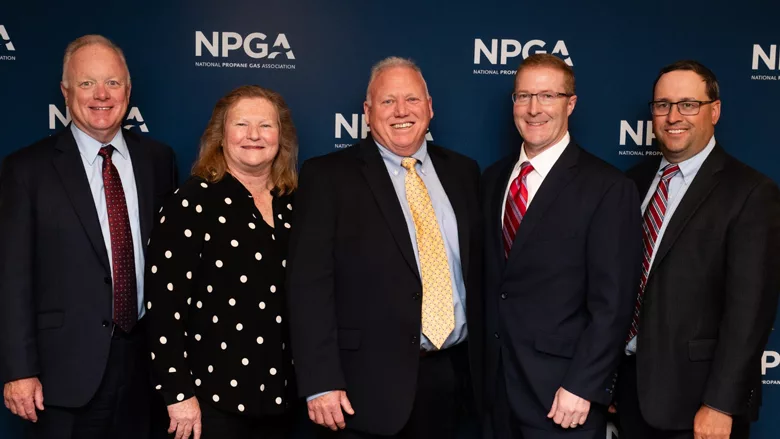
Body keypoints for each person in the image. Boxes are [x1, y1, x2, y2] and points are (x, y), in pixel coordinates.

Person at [287, 56, 482, 438]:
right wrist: (320, 380)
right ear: (367, 111)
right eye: (387, 101)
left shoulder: (464, 172)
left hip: (452, 378)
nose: (401, 111)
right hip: (364, 387)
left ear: (429, 107)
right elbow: (308, 286)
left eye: (411, 99)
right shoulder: (328, 175)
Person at [0, 34, 178, 438]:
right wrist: (19, 370)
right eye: (86, 83)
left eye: (113, 83)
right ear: (65, 92)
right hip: (62, 376)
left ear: (128, 91)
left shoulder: (158, 160)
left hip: (143, 367)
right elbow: (11, 278)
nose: (101, 95)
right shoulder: (27, 169)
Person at [614, 60, 780, 439]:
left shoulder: (750, 192)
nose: (674, 116)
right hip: (630, 395)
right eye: (663, 105)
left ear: (714, 111)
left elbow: (750, 312)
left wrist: (721, 404)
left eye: (688, 104)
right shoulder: (632, 183)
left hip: (699, 407)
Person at [481, 53, 641, 439]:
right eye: (523, 96)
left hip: (563, 396)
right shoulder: (492, 178)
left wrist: (584, 385)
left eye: (548, 96)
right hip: (495, 389)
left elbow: (614, 304)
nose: (534, 109)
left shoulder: (607, 188)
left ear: (570, 103)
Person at [144, 85, 299, 439]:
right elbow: (163, 307)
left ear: (281, 136)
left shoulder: (294, 204)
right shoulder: (192, 203)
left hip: (282, 398)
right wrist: (178, 394)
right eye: (242, 124)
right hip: (211, 401)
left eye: (266, 126)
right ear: (221, 134)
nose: (254, 136)